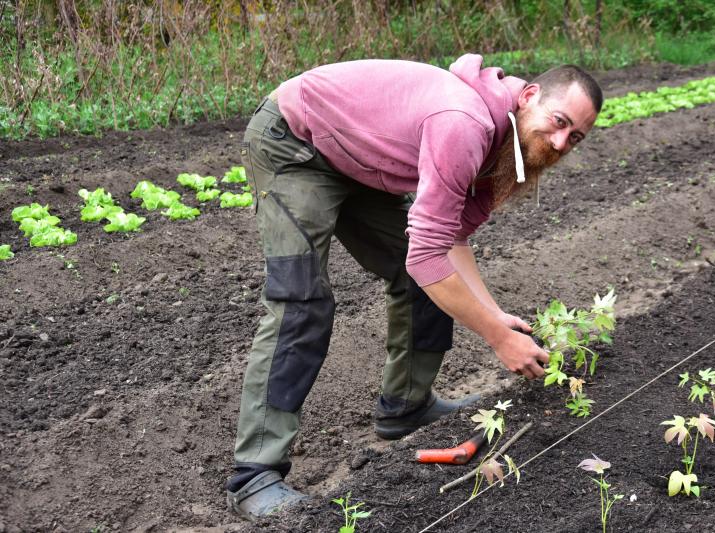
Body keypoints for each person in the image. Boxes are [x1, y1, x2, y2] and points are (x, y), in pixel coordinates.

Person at [225, 53, 602, 520]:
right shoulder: (464, 124)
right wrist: (497, 338)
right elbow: (429, 254)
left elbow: (450, 239)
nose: (562, 141)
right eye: (559, 121)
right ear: (528, 97)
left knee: (423, 275)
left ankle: (405, 405)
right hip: (296, 142)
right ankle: (254, 476)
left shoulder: (507, 146)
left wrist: (493, 312)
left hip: (359, 158)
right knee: (302, 301)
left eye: (576, 136)